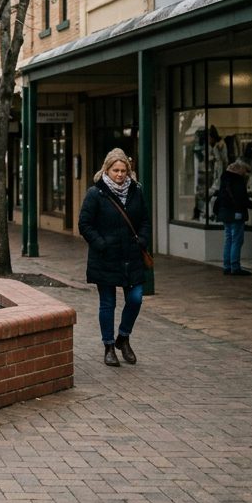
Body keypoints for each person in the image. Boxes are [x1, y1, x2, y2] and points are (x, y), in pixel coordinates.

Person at [78, 148, 152, 368]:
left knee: (136, 298)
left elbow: (145, 221)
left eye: (123, 170)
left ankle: (123, 337)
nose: (120, 174)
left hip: (132, 255)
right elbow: (85, 224)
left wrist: (143, 240)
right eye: (115, 170)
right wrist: (101, 243)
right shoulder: (95, 193)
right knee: (107, 303)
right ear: (106, 170)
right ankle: (109, 346)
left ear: (128, 171)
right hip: (106, 257)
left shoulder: (136, 191)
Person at [215, 158, 252, 276]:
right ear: (240, 169)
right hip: (235, 213)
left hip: (225, 213)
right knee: (237, 240)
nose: (245, 174)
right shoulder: (237, 180)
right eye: (245, 171)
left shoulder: (225, 178)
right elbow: (241, 198)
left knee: (229, 239)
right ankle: (235, 267)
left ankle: (227, 266)